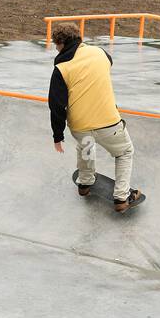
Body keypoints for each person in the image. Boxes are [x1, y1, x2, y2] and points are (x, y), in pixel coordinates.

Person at [47, 27, 143, 213]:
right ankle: (122, 197)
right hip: (109, 123)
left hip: (80, 125)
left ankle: (85, 183)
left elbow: (56, 105)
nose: (56, 49)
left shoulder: (60, 69)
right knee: (123, 152)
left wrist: (57, 135)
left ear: (61, 44)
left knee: (86, 146)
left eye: (56, 45)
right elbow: (110, 62)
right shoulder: (100, 53)